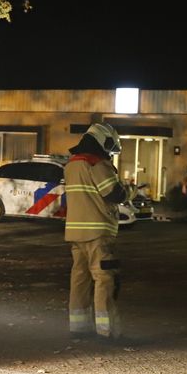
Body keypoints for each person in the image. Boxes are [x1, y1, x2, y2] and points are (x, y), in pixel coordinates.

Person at [64, 122, 128, 340]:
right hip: (98, 233)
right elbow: (113, 193)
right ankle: (107, 331)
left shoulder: (72, 164)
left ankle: (78, 328)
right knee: (104, 279)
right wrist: (132, 190)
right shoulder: (97, 163)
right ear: (102, 140)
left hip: (75, 233)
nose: (109, 151)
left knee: (79, 280)